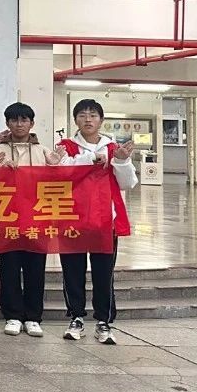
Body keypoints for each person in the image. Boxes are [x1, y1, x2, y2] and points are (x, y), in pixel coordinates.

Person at [59, 98, 137, 345]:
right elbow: (60, 174)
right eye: (82, 115)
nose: (88, 119)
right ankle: (76, 317)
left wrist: (122, 161)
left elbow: (128, 183)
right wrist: (89, 160)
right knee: (72, 270)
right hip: (72, 218)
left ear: (101, 120)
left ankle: (104, 320)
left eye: (93, 115)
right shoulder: (65, 146)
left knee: (104, 273)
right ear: (75, 120)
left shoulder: (114, 148)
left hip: (105, 220)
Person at [0, 102, 63, 338]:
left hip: (36, 220)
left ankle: (33, 317)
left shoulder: (44, 152)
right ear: (7, 123)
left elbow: (57, 184)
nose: (19, 124)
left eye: (24, 120)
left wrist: (55, 167)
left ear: (32, 123)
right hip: (6, 219)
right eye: (14, 120)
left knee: (35, 270)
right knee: (8, 269)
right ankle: (12, 316)